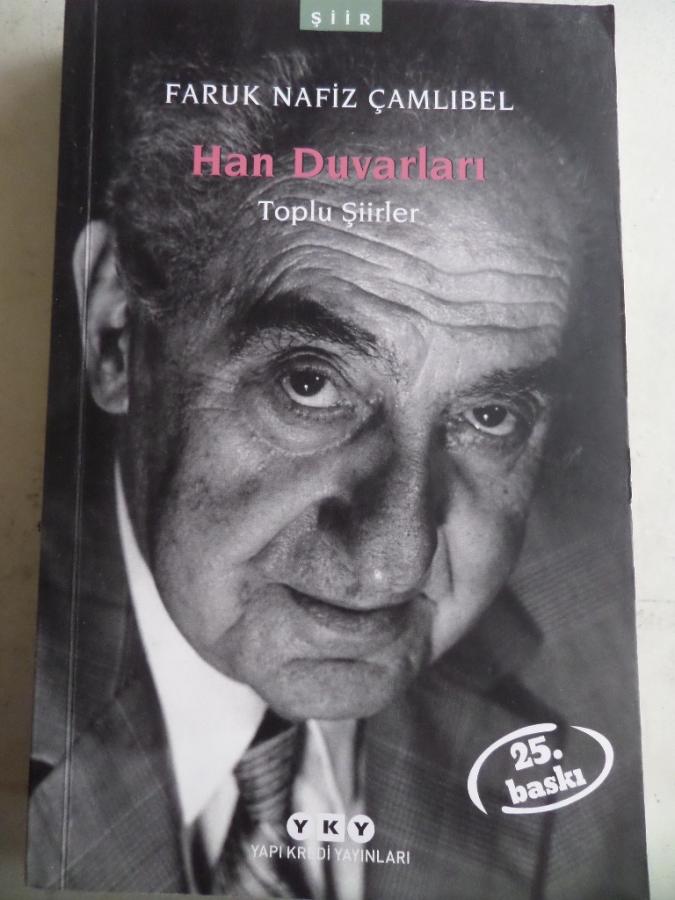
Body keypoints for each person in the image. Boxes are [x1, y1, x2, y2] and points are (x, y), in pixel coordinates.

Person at [27, 17, 648, 900]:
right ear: (116, 330)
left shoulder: (623, 665)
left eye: (489, 413)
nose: (393, 562)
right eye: (309, 384)